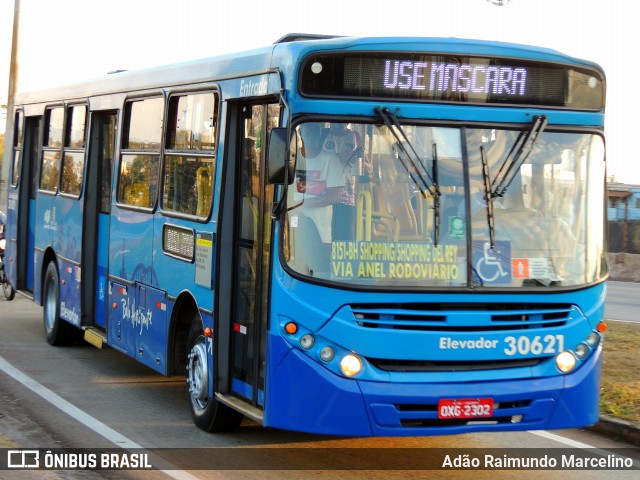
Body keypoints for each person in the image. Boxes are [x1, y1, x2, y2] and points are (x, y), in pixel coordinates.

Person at [293, 122, 345, 243]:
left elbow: (333, 196)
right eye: (309, 130)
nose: (314, 134)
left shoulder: (330, 160)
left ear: (321, 133)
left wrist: (301, 204)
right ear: (300, 132)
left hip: (321, 235)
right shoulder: (291, 158)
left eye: (317, 130)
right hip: (293, 231)